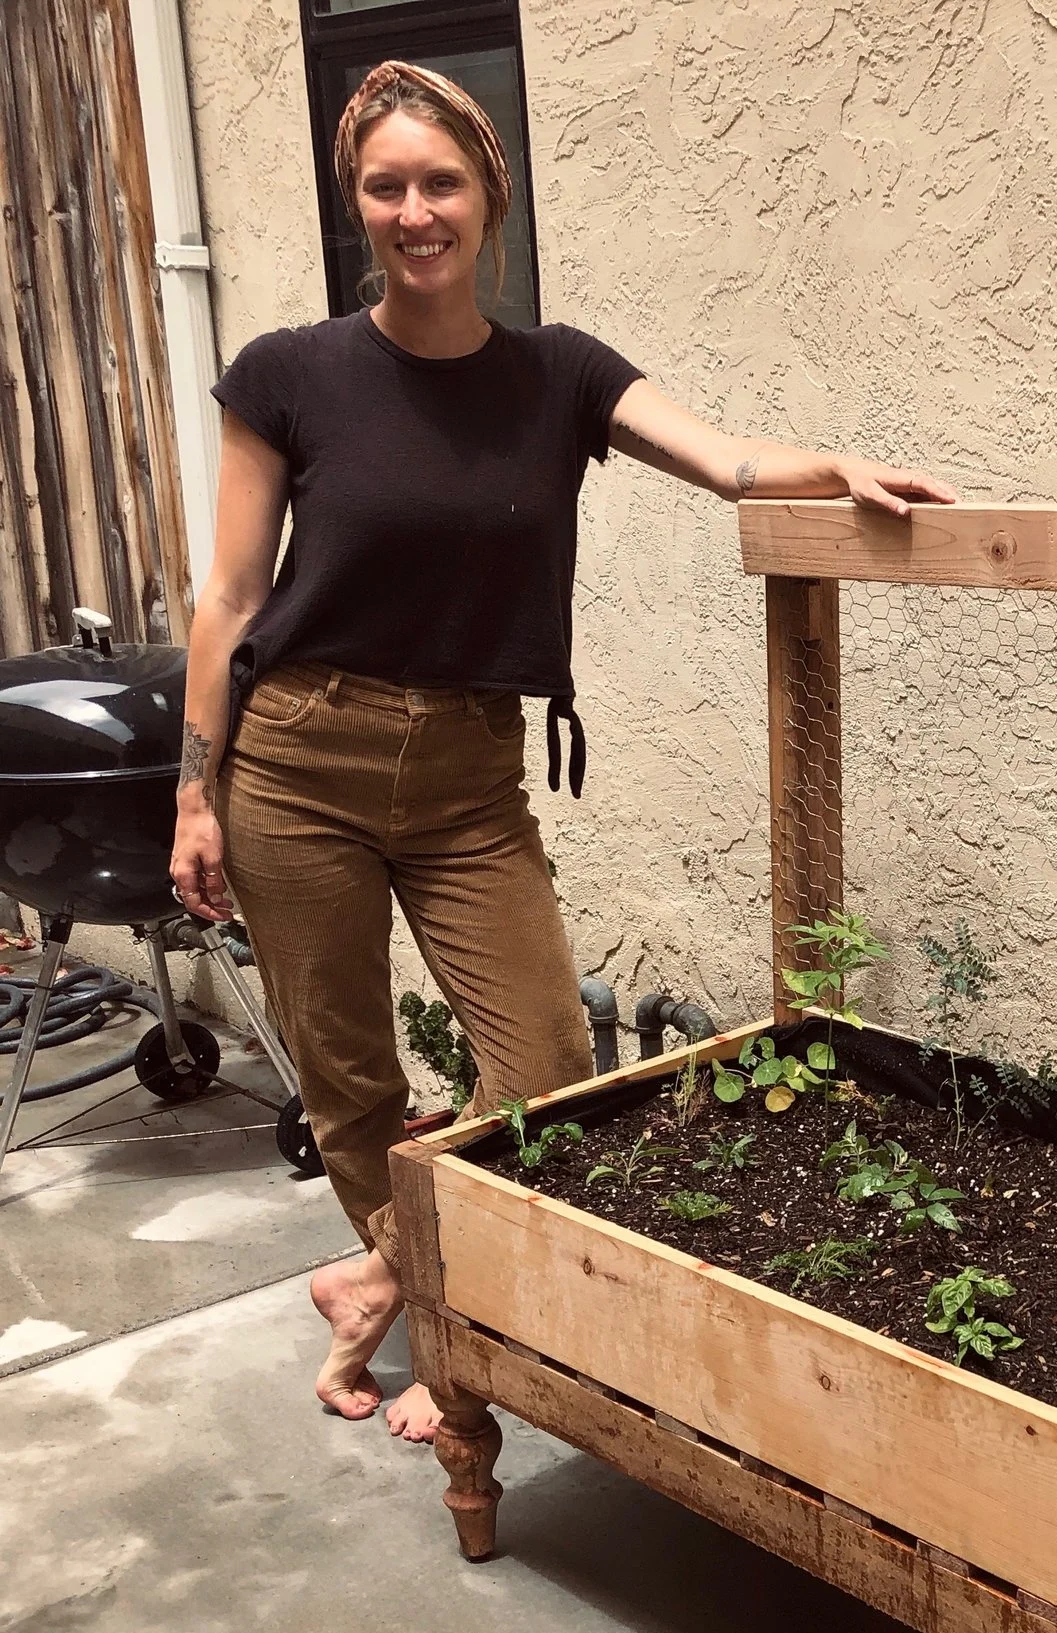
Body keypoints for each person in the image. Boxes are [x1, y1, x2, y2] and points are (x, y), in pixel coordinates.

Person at [167, 61, 953, 1441]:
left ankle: (381, 1283)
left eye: (441, 182)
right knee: (346, 1072)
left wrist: (843, 469)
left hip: (471, 773)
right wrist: (196, 794)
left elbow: (723, 461)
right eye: (386, 186)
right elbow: (229, 599)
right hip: (296, 757)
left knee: (540, 1060)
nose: (416, 211)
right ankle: (435, 1339)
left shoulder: (559, 372)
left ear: (492, 198)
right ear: (359, 204)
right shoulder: (291, 373)